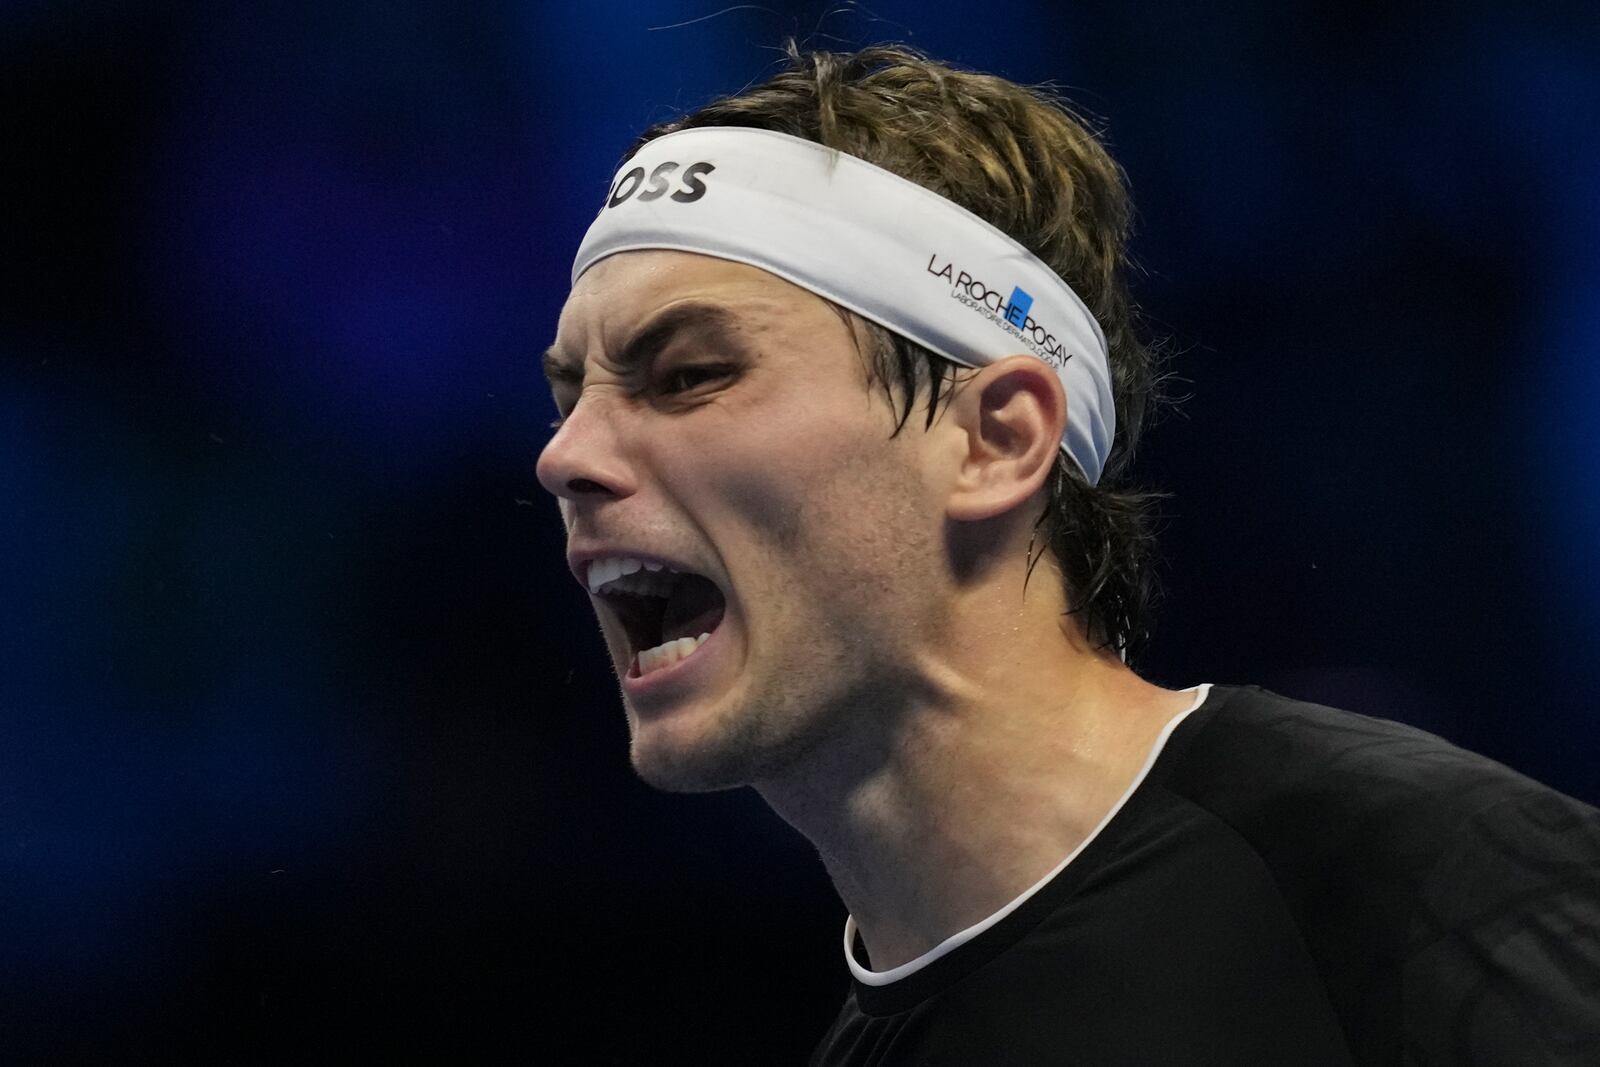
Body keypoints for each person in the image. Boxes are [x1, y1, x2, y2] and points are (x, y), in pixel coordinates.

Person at [535, 43, 1600, 1065]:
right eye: (568, 394)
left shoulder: (1414, 877)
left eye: (686, 376)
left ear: (995, 440)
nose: (563, 455)